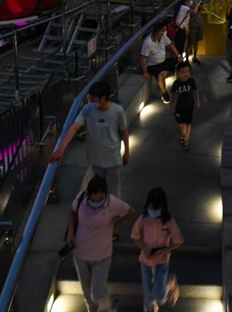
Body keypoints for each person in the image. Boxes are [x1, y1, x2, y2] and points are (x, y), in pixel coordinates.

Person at [66, 175, 135, 312]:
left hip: (101, 254)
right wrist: (71, 231)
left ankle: (110, 306)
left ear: (105, 195)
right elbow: (72, 212)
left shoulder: (113, 203)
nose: (96, 203)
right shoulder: (81, 198)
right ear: (88, 194)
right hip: (80, 252)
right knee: (87, 293)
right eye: (93, 199)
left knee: (97, 292)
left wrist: (115, 226)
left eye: (100, 199)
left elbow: (130, 211)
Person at [50, 81, 130, 198]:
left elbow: (124, 132)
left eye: (94, 98)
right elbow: (74, 128)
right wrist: (61, 149)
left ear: (103, 98)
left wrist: (127, 152)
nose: (92, 101)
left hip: (112, 157)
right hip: (95, 158)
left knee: (113, 192)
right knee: (98, 189)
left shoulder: (117, 111)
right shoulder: (87, 110)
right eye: (91, 97)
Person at [132, 188, 184, 312]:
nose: (153, 211)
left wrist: (165, 250)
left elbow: (178, 240)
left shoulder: (168, 221)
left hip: (162, 260)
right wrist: (144, 248)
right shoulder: (143, 218)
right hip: (146, 258)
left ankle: (170, 283)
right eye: (151, 207)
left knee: (159, 296)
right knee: (147, 289)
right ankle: (150, 308)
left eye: (156, 208)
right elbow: (135, 235)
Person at [141, 20, 181, 104]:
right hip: (153, 64)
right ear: (157, 32)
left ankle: (178, 84)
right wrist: (145, 73)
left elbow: (170, 45)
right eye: (162, 32)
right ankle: (164, 93)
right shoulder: (147, 42)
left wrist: (178, 56)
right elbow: (143, 58)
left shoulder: (163, 37)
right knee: (161, 74)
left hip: (163, 60)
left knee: (180, 65)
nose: (164, 33)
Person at [169, 62, 200, 151]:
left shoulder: (191, 81)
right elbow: (172, 93)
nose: (186, 74)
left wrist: (198, 101)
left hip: (189, 106)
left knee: (188, 122)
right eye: (183, 72)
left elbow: (195, 90)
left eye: (188, 71)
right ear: (178, 73)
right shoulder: (176, 83)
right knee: (181, 121)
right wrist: (170, 104)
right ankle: (184, 135)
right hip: (180, 106)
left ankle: (186, 139)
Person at [184, 0, 204, 65]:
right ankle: (187, 60)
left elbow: (200, 8)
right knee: (190, 42)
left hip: (199, 22)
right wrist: (197, 5)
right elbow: (191, 10)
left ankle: (195, 57)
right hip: (191, 24)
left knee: (197, 40)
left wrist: (200, 6)